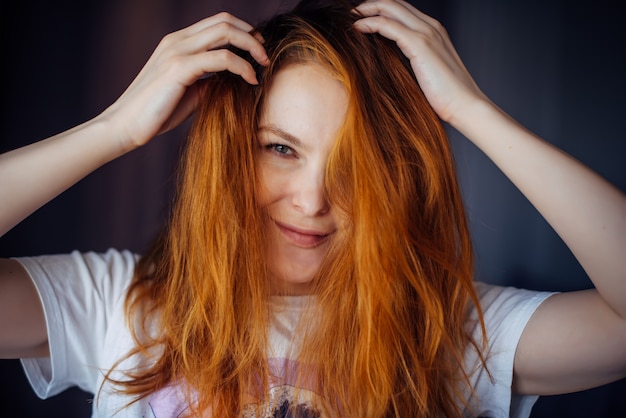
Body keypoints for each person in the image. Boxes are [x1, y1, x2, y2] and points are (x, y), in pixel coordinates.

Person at [0, 0, 624, 416]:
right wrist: (114, 129)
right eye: (280, 148)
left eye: (355, 165)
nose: (313, 199)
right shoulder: (117, 305)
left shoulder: (442, 331)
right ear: (233, 155)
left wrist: (472, 113)